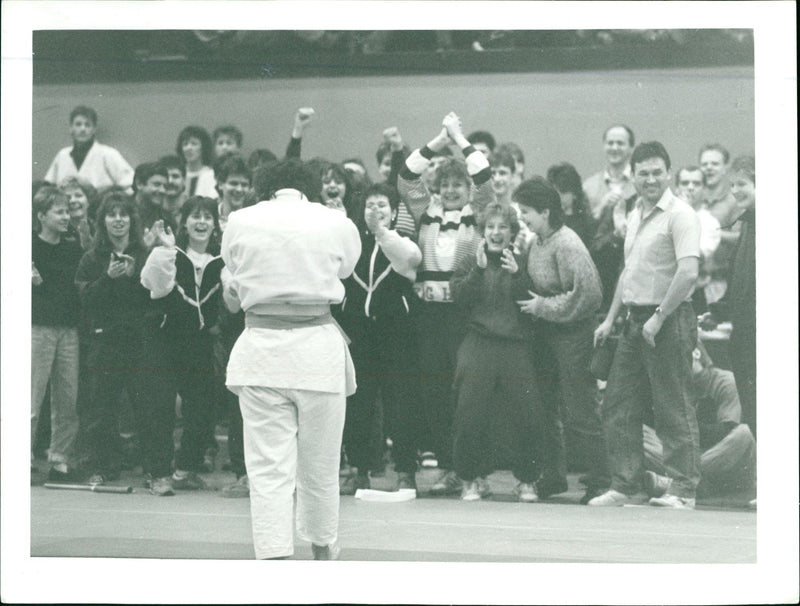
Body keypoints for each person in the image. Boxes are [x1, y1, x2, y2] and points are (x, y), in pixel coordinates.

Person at [221, 158, 360, 560]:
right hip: (317, 352)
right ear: (310, 187)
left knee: (267, 469)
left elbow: (234, 266)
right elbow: (346, 268)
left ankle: (274, 556)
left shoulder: (240, 219)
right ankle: (322, 546)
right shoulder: (333, 220)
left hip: (260, 350)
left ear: (264, 189)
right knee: (320, 464)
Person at [590, 141, 702, 509]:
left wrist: (659, 318)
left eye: (657, 172)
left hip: (669, 320)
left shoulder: (681, 215)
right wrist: (609, 319)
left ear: (668, 172)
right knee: (617, 403)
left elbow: (688, 273)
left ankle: (683, 490)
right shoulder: (636, 214)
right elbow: (629, 271)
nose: (650, 179)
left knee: (674, 405)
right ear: (633, 176)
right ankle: (627, 485)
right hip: (633, 321)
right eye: (643, 173)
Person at [398, 112, 494, 495]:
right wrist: (438, 141)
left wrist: (460, 138)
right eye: (447, 183)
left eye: (460, 183)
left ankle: (476, 471)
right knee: (434, 393)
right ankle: (453, 468)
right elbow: (405, 178)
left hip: (466, 316)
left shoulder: (480, 213)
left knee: (469, 396)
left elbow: (486, 178)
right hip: (428, 318)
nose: (453, 189)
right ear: (438, 187)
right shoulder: (425, 213)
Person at [514, 177, 608, 504]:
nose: (522, 217)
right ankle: (553, 477)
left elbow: (590, 295)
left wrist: (544, 306)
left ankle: (601, 479)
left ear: (545, 211)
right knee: (545, 407)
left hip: (573, 335)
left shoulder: (567, 244)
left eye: (526, 211)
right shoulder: (537, 242)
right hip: (546, 334)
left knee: (580, 408)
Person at [450, 202, 541, 502]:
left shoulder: (524, 260)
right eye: (490, 227)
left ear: (513, 232)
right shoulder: (469, 260)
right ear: (482, 231)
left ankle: (527, 481)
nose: (496, 232)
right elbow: (459, 298)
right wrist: (477, 271)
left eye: (503, 227)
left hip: (515, 343)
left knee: (528, 413)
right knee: (469, 412)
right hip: (479, 340)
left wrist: (518, 275)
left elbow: (531, 305)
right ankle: (470, 478)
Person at [336, 183, 422, 493]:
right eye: (370, 205)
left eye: (382, 205)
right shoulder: (353, 245)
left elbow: (409, 260)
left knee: (400, 403)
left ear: (395, 211)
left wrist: (383, 232)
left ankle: (405, 471)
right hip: (360, 334)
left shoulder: (404, 242)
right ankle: (360, 469)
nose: (375, 210)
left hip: (395, 332)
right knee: (359, 404)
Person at [140, 196, 225, 496]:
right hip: (164, 340)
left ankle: (184, 469)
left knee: (203, 407)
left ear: (215, 225)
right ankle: (159, 474)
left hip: (199, 343)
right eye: (195, 216)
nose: (201, 222)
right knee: (160, 408)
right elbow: (153, 285)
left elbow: (232, 299)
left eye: (207, 217)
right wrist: (163, 249)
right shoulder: (171, 254)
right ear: (185, 223)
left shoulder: (221, 260)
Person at [74, 191, 150, 485]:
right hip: (104, 343)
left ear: (132, 219)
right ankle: (101, 466)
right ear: (102, 221)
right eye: (111, 214)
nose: (118, 220)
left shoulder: (144, 256)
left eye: (123, 214)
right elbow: (85, 300)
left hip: (139, 342)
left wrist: (133, 278)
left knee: (145, 407)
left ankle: (153, 468)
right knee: (101, 408)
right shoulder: (91, 259)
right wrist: (108, 278)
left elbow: (153, 299)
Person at [643, 342, 756, 504]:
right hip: (691, 456)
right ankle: (691, 483)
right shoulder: (674, 386)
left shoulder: (726, 381)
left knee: (744, 433)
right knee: (639, 432)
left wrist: (682, 428)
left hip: (724, 461)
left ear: (696, 354)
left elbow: (727, 430)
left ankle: (680, 482)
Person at [31, 186, 84, 482]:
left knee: (67, 399)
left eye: (67, 211)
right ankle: (20, 458)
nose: (67, 216)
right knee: (31, 397)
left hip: (68, 330)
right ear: (42, 216)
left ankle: (60, 460)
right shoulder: (26, 246)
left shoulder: (72, 247)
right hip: (37, 327)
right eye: (60, 212)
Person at [701, 155, 756, 437]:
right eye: (732, 184)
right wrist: (718, 312)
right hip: (744, 338)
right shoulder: (746, 224)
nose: (735, 191)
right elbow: (738, 284)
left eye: (742, 184)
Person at [44, 105, 134, 194]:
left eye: (87, 125)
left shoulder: (108, 154)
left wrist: (104, 191)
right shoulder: (62, 155)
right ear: (71, 128)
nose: (83, 129)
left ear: (94, 129)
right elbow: (48, 187)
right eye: (78, 124)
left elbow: (130, 184)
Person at [674, 165, 721, 314]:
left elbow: (695, 257)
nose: (690, 187)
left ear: (705, 189)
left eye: (696, 183)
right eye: (685, 183)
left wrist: (685, 216)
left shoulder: (711, 223)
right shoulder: (663, 217)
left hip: (693, 296)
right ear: (676, 188)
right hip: (659, 293)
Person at [698, 143, 739, 304]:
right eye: (704, 164)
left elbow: (742, 237)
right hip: (690, 281)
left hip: (719, 282)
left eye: (715, 164)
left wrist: (714, 233)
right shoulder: (692, 199)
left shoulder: (734, 200)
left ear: (725, 168)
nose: (709, 168)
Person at [582, 124, 637, 220]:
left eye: (620, 143)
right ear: (604, 146)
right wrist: (601, 206)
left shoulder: (640, 182)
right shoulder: (588, 187)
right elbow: (583, 227)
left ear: (631, 148)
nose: (614, 148)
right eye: (610, 143)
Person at [546, 162, 597, 248]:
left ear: (574, 193)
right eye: (554, 192)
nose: (557, 197)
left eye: (563, 191)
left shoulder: (587, 224)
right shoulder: (547, 221)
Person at [176, 125, 218, 199]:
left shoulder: (212, 175)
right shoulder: (177, 175)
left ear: (203, 147)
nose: (189, 148)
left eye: (194, 144)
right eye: (185, 144)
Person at [59, 176, 98, 251]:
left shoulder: (99, 229)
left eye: (78, 195)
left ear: (88, 200)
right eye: (68, 197)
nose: (72, 200)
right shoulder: (58, 232)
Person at [158, 155, 188, 224]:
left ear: (184, 180)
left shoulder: (194, 210)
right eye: (166, 176)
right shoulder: (151, 213)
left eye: (175, 176)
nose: (170, 181)